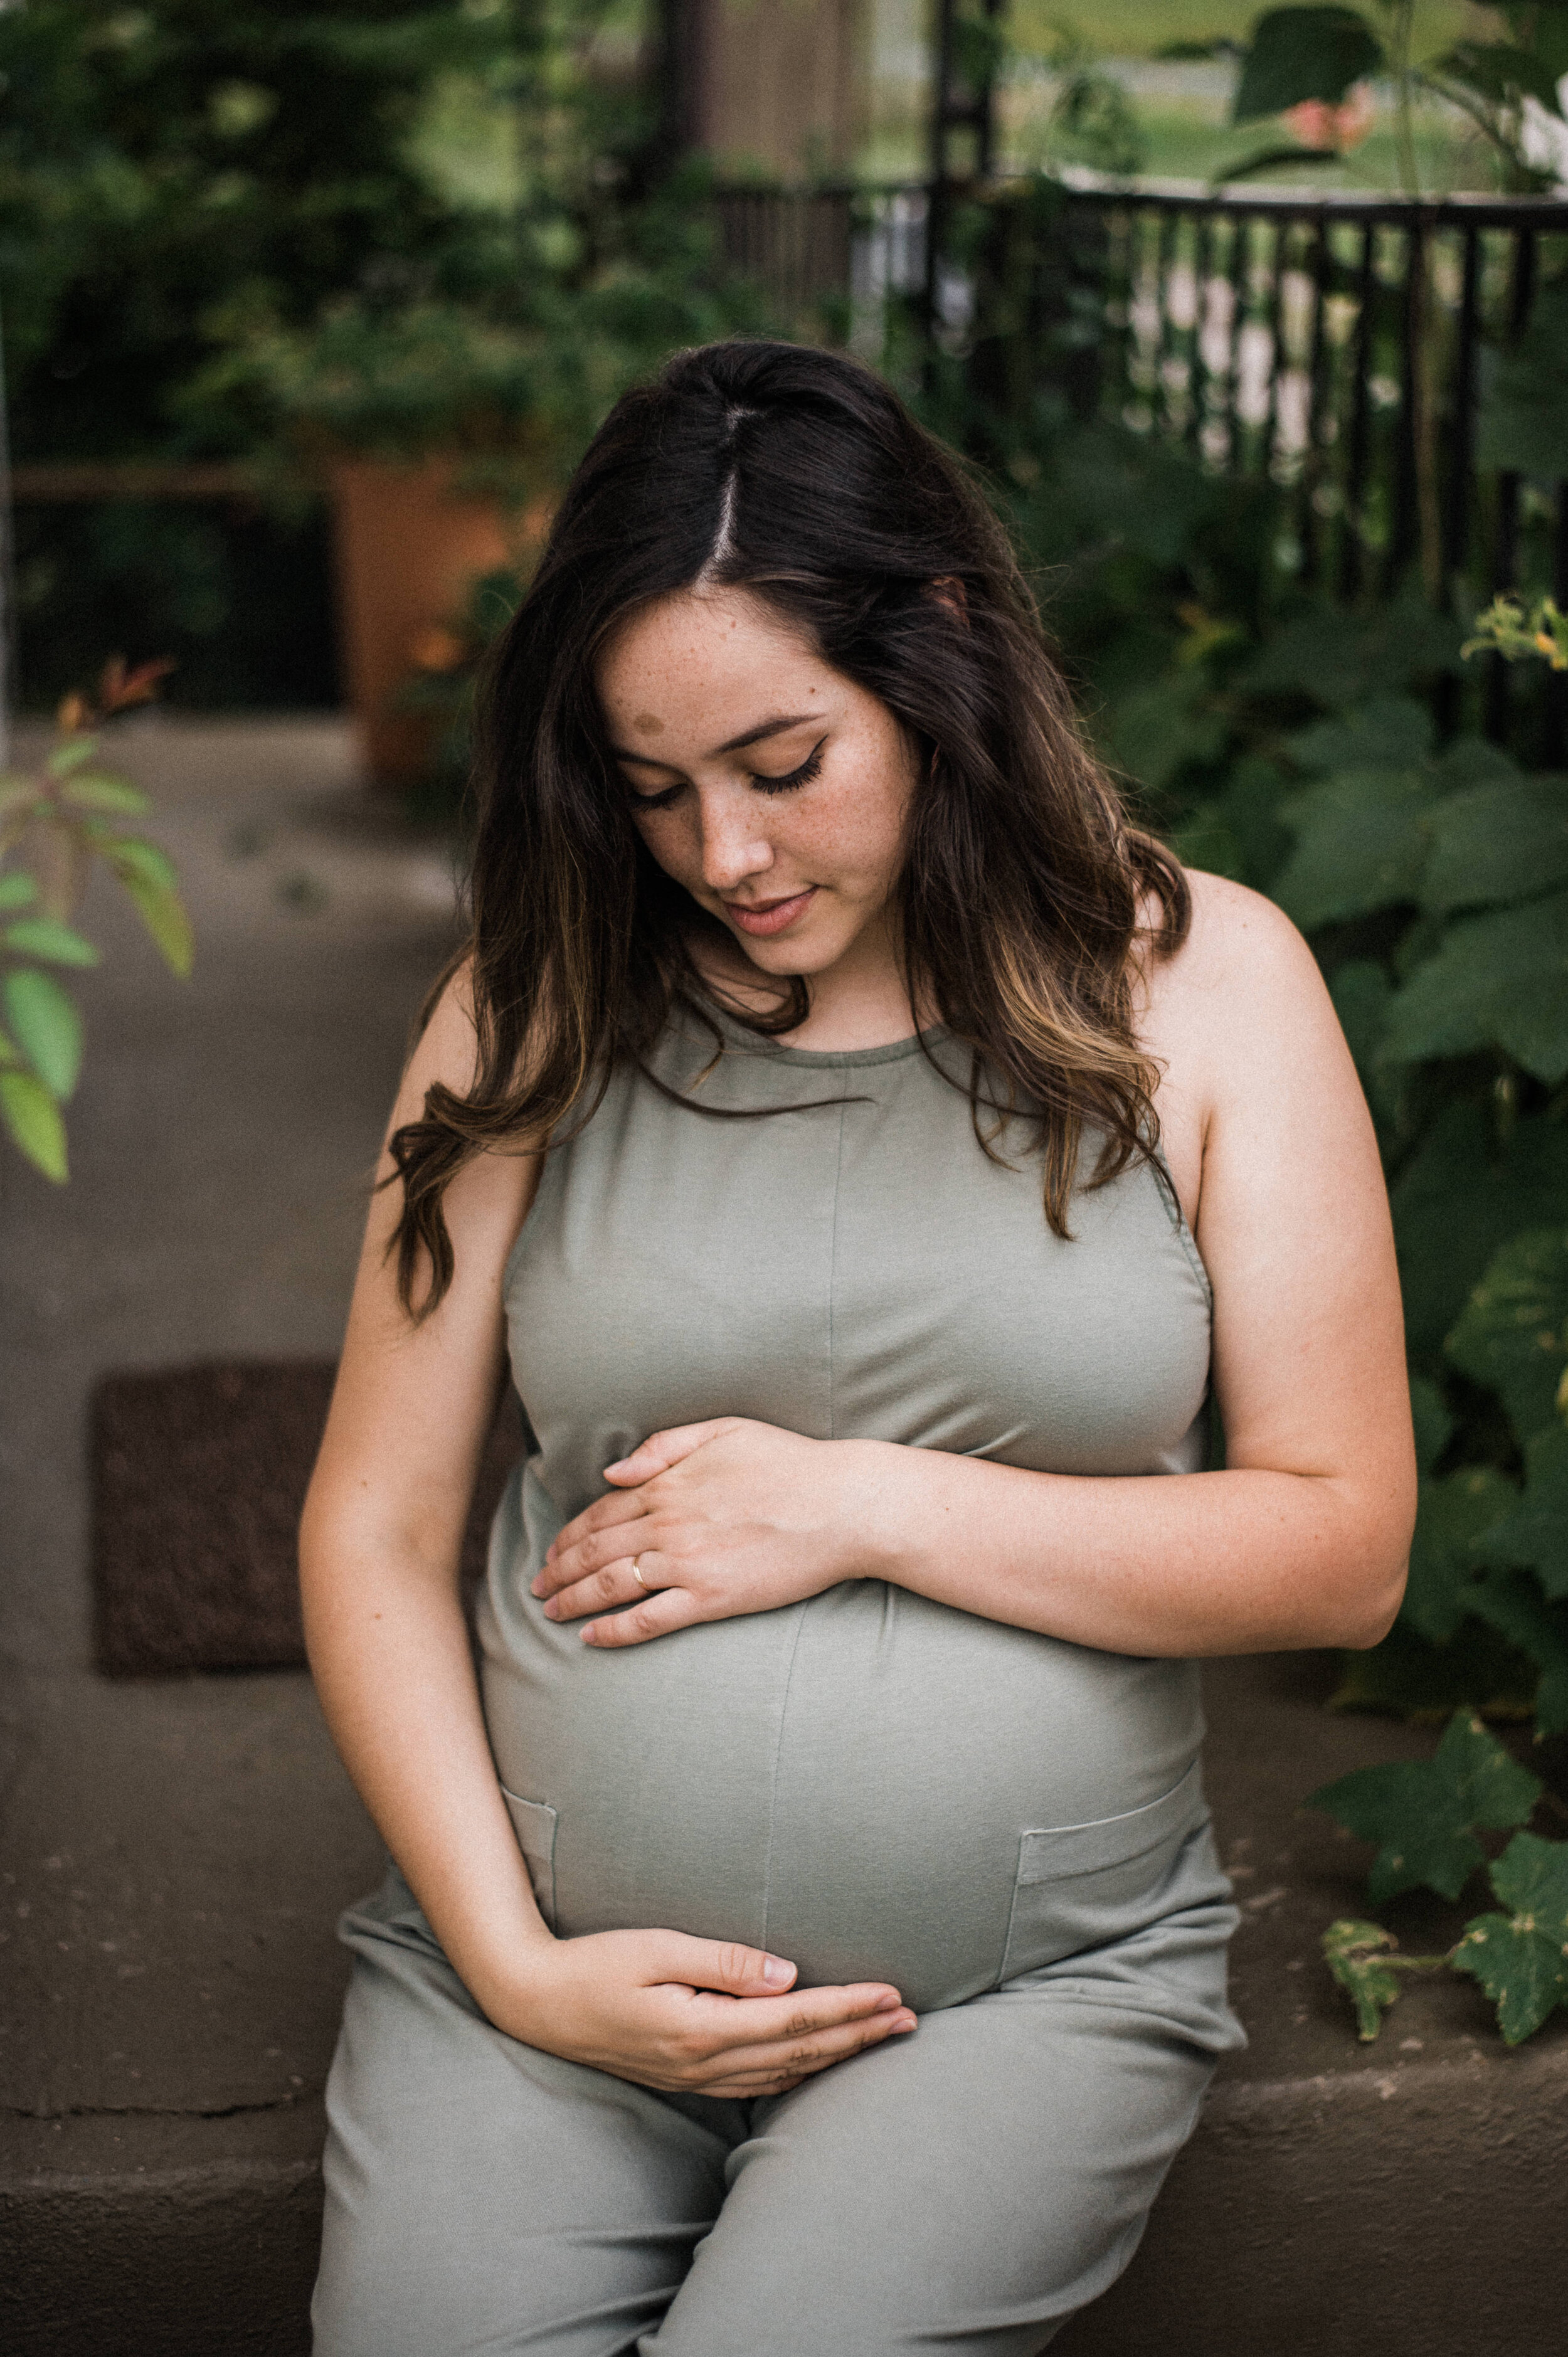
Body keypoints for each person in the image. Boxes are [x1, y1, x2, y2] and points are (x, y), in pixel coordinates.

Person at [300, 339, 1414, 2356]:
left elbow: (1340, 1548)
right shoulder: (533, 1002)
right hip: (539, 1987)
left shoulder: (1205, 984)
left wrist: (863, 1506)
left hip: (1009, 1996)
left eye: (782, 763)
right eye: (653, 788)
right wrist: (512, 1962)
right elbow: (371, 1525)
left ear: (938, 653)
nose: (721, 853)